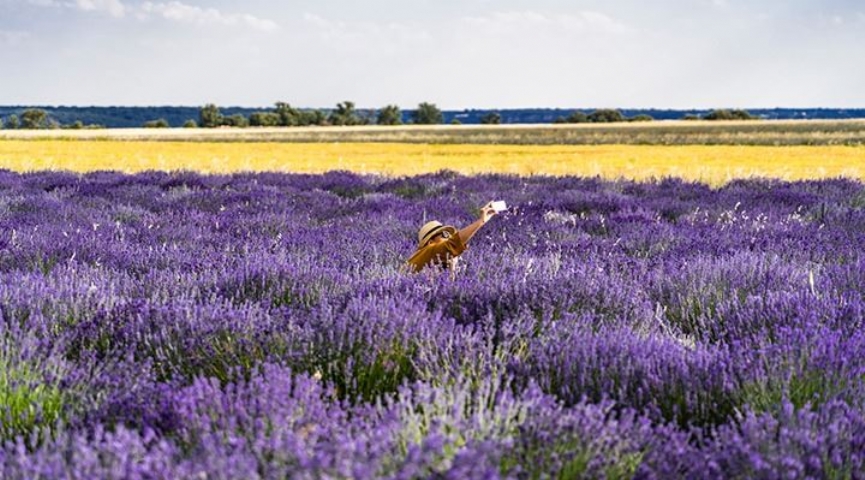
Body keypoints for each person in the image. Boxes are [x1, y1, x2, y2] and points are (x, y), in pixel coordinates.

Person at [406, 202, 499, 274]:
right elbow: (453, 243)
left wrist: (452, 267)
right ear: (430, 242)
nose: (448, 237)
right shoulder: (428, 251)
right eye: (444, 235)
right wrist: (481, 221)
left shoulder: (434, 263)